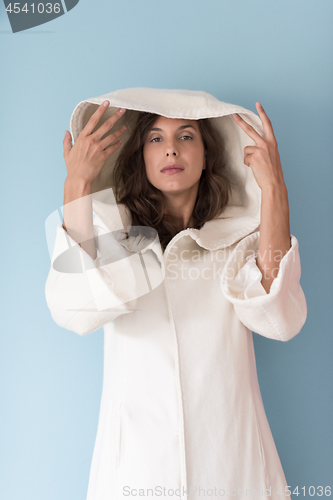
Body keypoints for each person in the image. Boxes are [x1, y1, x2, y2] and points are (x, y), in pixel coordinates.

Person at [45, 87, 307, 500]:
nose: (171, 150)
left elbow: (279, 316)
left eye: (186, 136)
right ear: (141, 157)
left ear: (207, 156)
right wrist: (77, 184)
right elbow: (75, 308)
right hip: (137, 471)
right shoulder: (116, 245)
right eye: (155, 138)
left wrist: (275, 190)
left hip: (232, 467)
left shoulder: (235, 244)